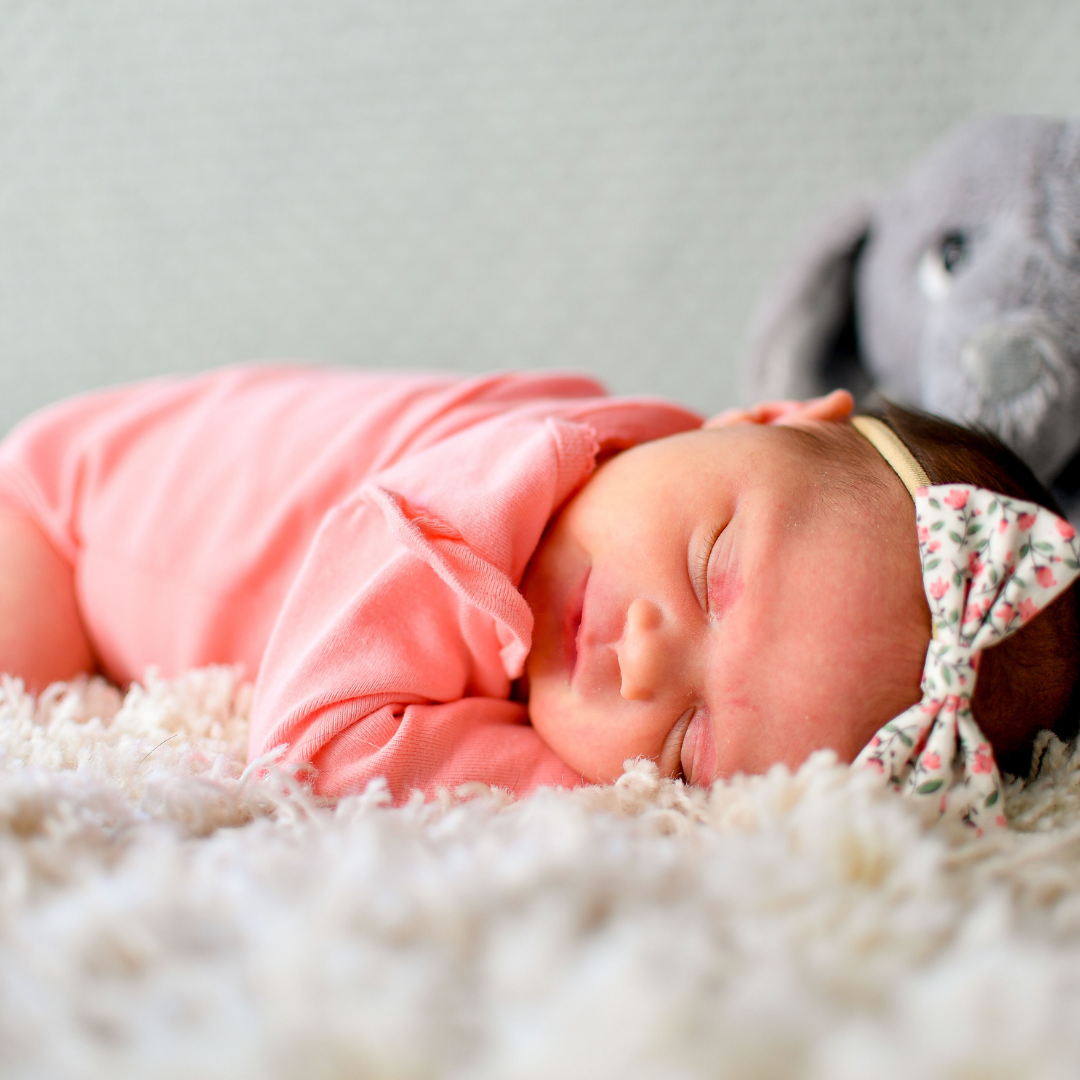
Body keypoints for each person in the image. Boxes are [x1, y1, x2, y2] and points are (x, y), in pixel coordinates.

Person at [0, 364, 1074, 817]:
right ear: (771, 416)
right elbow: (317, 744)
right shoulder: (483, 493)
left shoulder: (637, 496)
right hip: (53, 517)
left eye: (690, 748)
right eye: (712, 567)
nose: (646, 655)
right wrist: (594, 799)